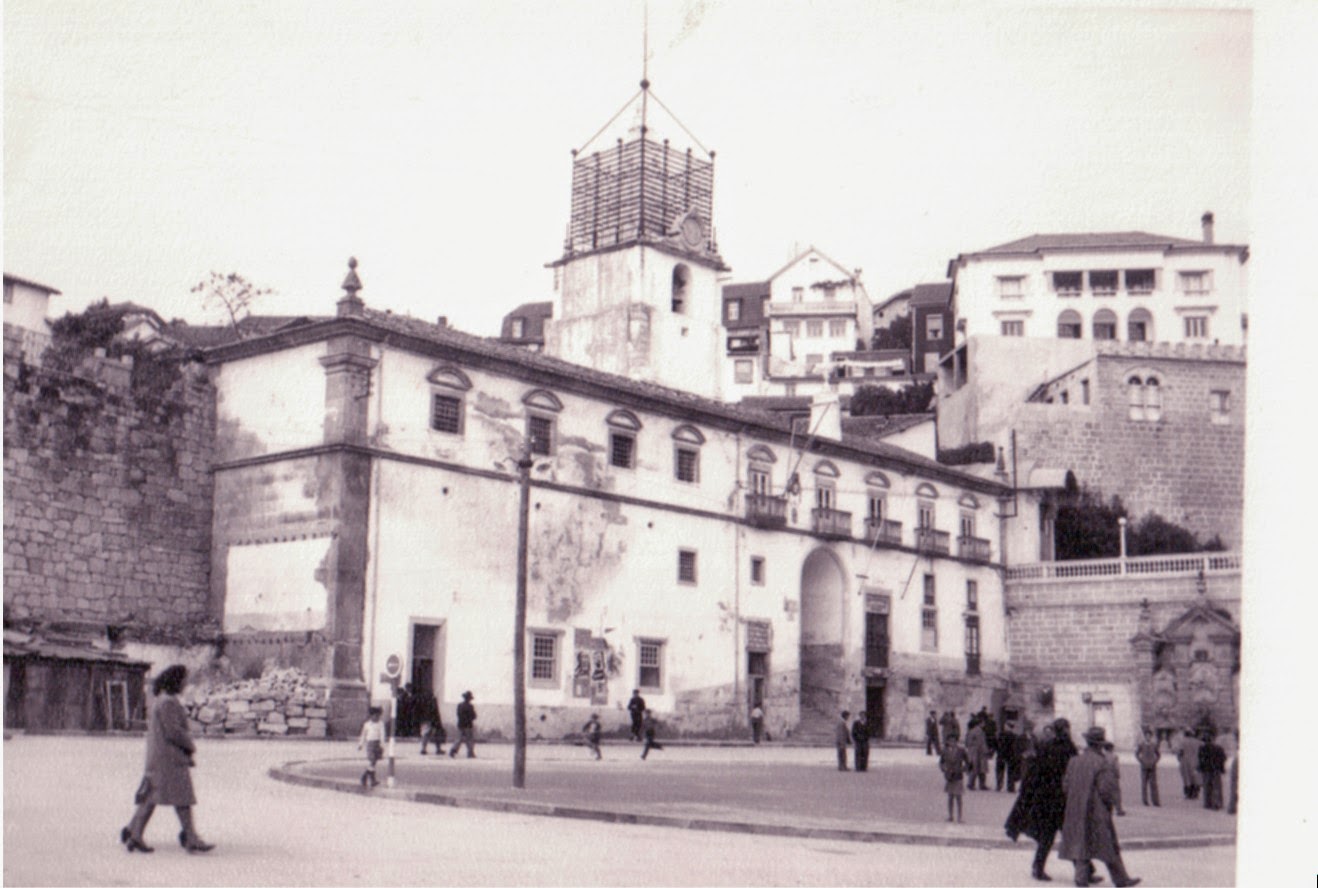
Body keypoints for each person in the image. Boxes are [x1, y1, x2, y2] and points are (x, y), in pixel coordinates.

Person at [121, 665, 215, 854]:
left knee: (152, 796)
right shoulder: (168, 703)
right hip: (169, 758)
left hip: (159, 757)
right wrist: (190, 745)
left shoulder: (162, 700)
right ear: (176, 681)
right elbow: (174, 731)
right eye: (184, 680)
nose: (185, 684)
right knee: (182, 797)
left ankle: (135, 833)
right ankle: (190, 837)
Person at [1059, 726, 1141, 887]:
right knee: (1108, 844)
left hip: (1076, 808)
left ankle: (1081, 878)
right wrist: (1112, 806)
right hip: (1096, 809)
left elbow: (1065, 786)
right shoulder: (1102, 763)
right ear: (1100, 744)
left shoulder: (1074, 761)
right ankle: (1121, 878)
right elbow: (1106, 790)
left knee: (1081, 842)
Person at [1005, 717, 1077, 883]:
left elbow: (1034, 773)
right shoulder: (1068, 748)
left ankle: (1039, 867)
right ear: (1066, 730)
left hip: (1046, 799)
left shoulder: (1046, 747)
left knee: (1050, 836)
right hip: (1061, 799)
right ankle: (1084, 870)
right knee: (1067, 835)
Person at [938, 733, 971, 823]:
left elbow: (968, 762)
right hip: (949, 776)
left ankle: (960, 817)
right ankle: (950, 816)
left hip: (958, 775)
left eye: (954, 741)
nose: (952, 743)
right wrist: (944, 769)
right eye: (950, 741)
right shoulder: (945, 751)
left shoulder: (961, 751)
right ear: (948, 742)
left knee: (959, 797)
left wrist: (963, 769)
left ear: (957, 741)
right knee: (950, 797)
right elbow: (941, 762)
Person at [357, 705, 385, 788]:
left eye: (378, 716)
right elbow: (363, 735)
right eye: (375, 716)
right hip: (370, 744)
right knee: (372, 761)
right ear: (371, 716)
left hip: (377, 743)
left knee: (374, 762)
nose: (377, 718)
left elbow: (382, 735)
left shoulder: (380, 724)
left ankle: (369, 779)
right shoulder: (367, 725)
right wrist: (361, 744)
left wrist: (382, 745)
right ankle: (367, 777)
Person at [1198, 729, 1226, 811]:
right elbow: (1223, 758)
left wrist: (1200, 768)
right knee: (1216, 786)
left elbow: (1201, 759)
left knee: (1207, 786)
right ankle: (1217, 802)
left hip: (1206, 770)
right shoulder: (1219, 748)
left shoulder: (1202, 749)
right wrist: (1221, 767)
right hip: (1216, 769)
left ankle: (1208, 803)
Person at [1135, 727, 1160, 807]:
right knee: (1144, 784)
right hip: (1144, 767)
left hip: (1152, 766)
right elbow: (1137, 754)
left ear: (1151, 737)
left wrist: (1155, 761)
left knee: (1153, 784)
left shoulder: (1154, 745)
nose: (1148, 737)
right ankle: (1145, 800)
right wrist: (1141, 761)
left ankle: (1155, 801)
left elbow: (1158, 755)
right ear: (1145, 736)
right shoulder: (1141, 745)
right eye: (1146, 736)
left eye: (1149, 736)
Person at [1175, 727, 1202, 800]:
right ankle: (1195, 793)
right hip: (1196, 761)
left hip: (1185, 762)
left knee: (1187, 778)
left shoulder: (1182, 742)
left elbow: (1179, 752)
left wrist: (1179, 759)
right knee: (1195, 778)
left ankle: (1188, 793)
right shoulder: (1198, 742)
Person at [448, 691, 477, 758]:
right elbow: (474, 716)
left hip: (460, 724)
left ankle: (453, 750)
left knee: (459, 739)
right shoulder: (470, 706)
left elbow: (458, 714)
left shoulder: (460, 705)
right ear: (469, 699)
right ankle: (470, 752)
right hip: (468, 725)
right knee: (469, 739)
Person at [965, 715, 990, 791]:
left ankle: (971, 783)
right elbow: (982, 743)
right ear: (980, 723)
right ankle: (980, 784)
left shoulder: (971, 731)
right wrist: (986, 751)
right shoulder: (980, 732)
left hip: (972, 751)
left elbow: (967, 742)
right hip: (979, 752)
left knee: (974, 768)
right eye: (983, 723)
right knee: (980, 769)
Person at [416, 690, 445, 755]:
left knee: (425, 734)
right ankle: (438, 749)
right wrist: (438, 721)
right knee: (436, 735)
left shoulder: (421, 701)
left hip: (424, 720)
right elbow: (435, 712)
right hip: (432, 720)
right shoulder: (433, 701)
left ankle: (423, 749)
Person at [1103, 742, 1126, 816]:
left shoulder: (1102, 756)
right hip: (1112, 776)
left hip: (1104, 776)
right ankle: (1119, 809)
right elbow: (1116, 767)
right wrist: (1118, 775)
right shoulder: (1114, 757)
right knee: (1116, 793)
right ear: (1111, 749)